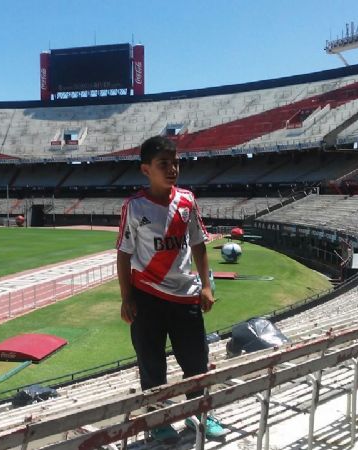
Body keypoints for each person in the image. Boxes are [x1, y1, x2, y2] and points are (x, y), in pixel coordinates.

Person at [116, 136, 228, 444]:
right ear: (145, 170)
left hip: (185, 297)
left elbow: (199, 245)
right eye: (163, 164)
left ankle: (201, 415)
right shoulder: (134, 206)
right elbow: (124, 253)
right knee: (152, 364)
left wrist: (206, 285)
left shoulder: (187, 200)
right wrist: (126, 298)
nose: (172, 169)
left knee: (195, 360)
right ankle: (159, 421)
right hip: (147, 297)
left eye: (175, 163)